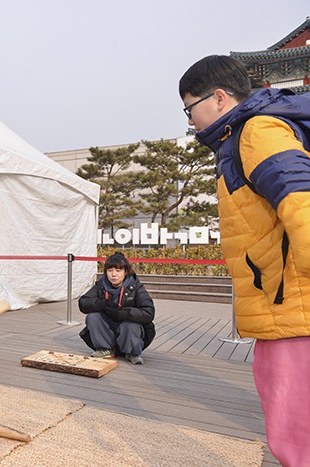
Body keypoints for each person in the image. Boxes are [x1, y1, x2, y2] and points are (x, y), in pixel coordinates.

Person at [179, 55, 310, 466]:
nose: (189, 119)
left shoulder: (256, 132)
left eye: (189, 107)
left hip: (293, 309)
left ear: (218, 98)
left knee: (296, 434)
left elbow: (302, 205)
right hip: (284, 306)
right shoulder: (242, 137)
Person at [78, 252, 155, 364]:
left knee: (131, 325)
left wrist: (123, 313)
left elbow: (149, 313)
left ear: (125, 272)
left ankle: (132, 353)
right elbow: (83, 303)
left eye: (118, 271)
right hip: (108, 328)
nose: (113, 274)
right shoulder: (101, 285)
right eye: (110, 270)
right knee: (93, 317)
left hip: (128, 330)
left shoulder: (136, 287)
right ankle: (105, 349)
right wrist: (101, 303)